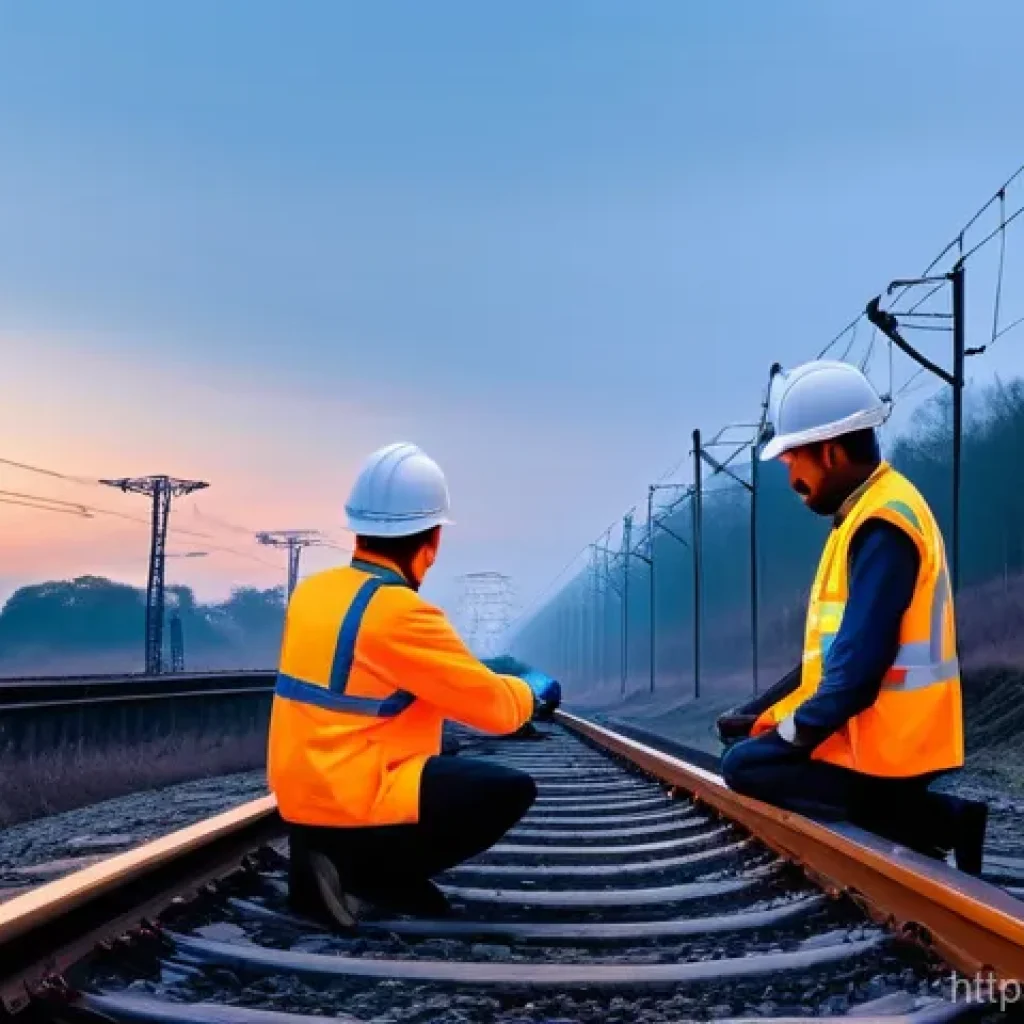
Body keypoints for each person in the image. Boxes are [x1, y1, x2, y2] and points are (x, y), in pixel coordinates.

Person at [267, 442, 561, 928]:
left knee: (443, 772)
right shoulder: (402, 613)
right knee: (506, 790)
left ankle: (325, 858)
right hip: (355, 794)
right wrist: (532, 691)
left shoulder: (313, 593)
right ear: (433, 541)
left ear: (359, 528)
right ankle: (365, 873)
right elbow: (495, 710)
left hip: (303, 793)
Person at [717, 360, 988, 875]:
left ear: (831, 451)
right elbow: (833, 657)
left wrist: (785, 738)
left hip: (890, 748)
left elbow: (858, 675)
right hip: (868, 735)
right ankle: (919, 821)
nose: (789, 474)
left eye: (792, 458)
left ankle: (938, 821)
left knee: (745, 767)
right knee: (744, 747)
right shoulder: (864, 516)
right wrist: (757, 712)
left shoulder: (883, 525)